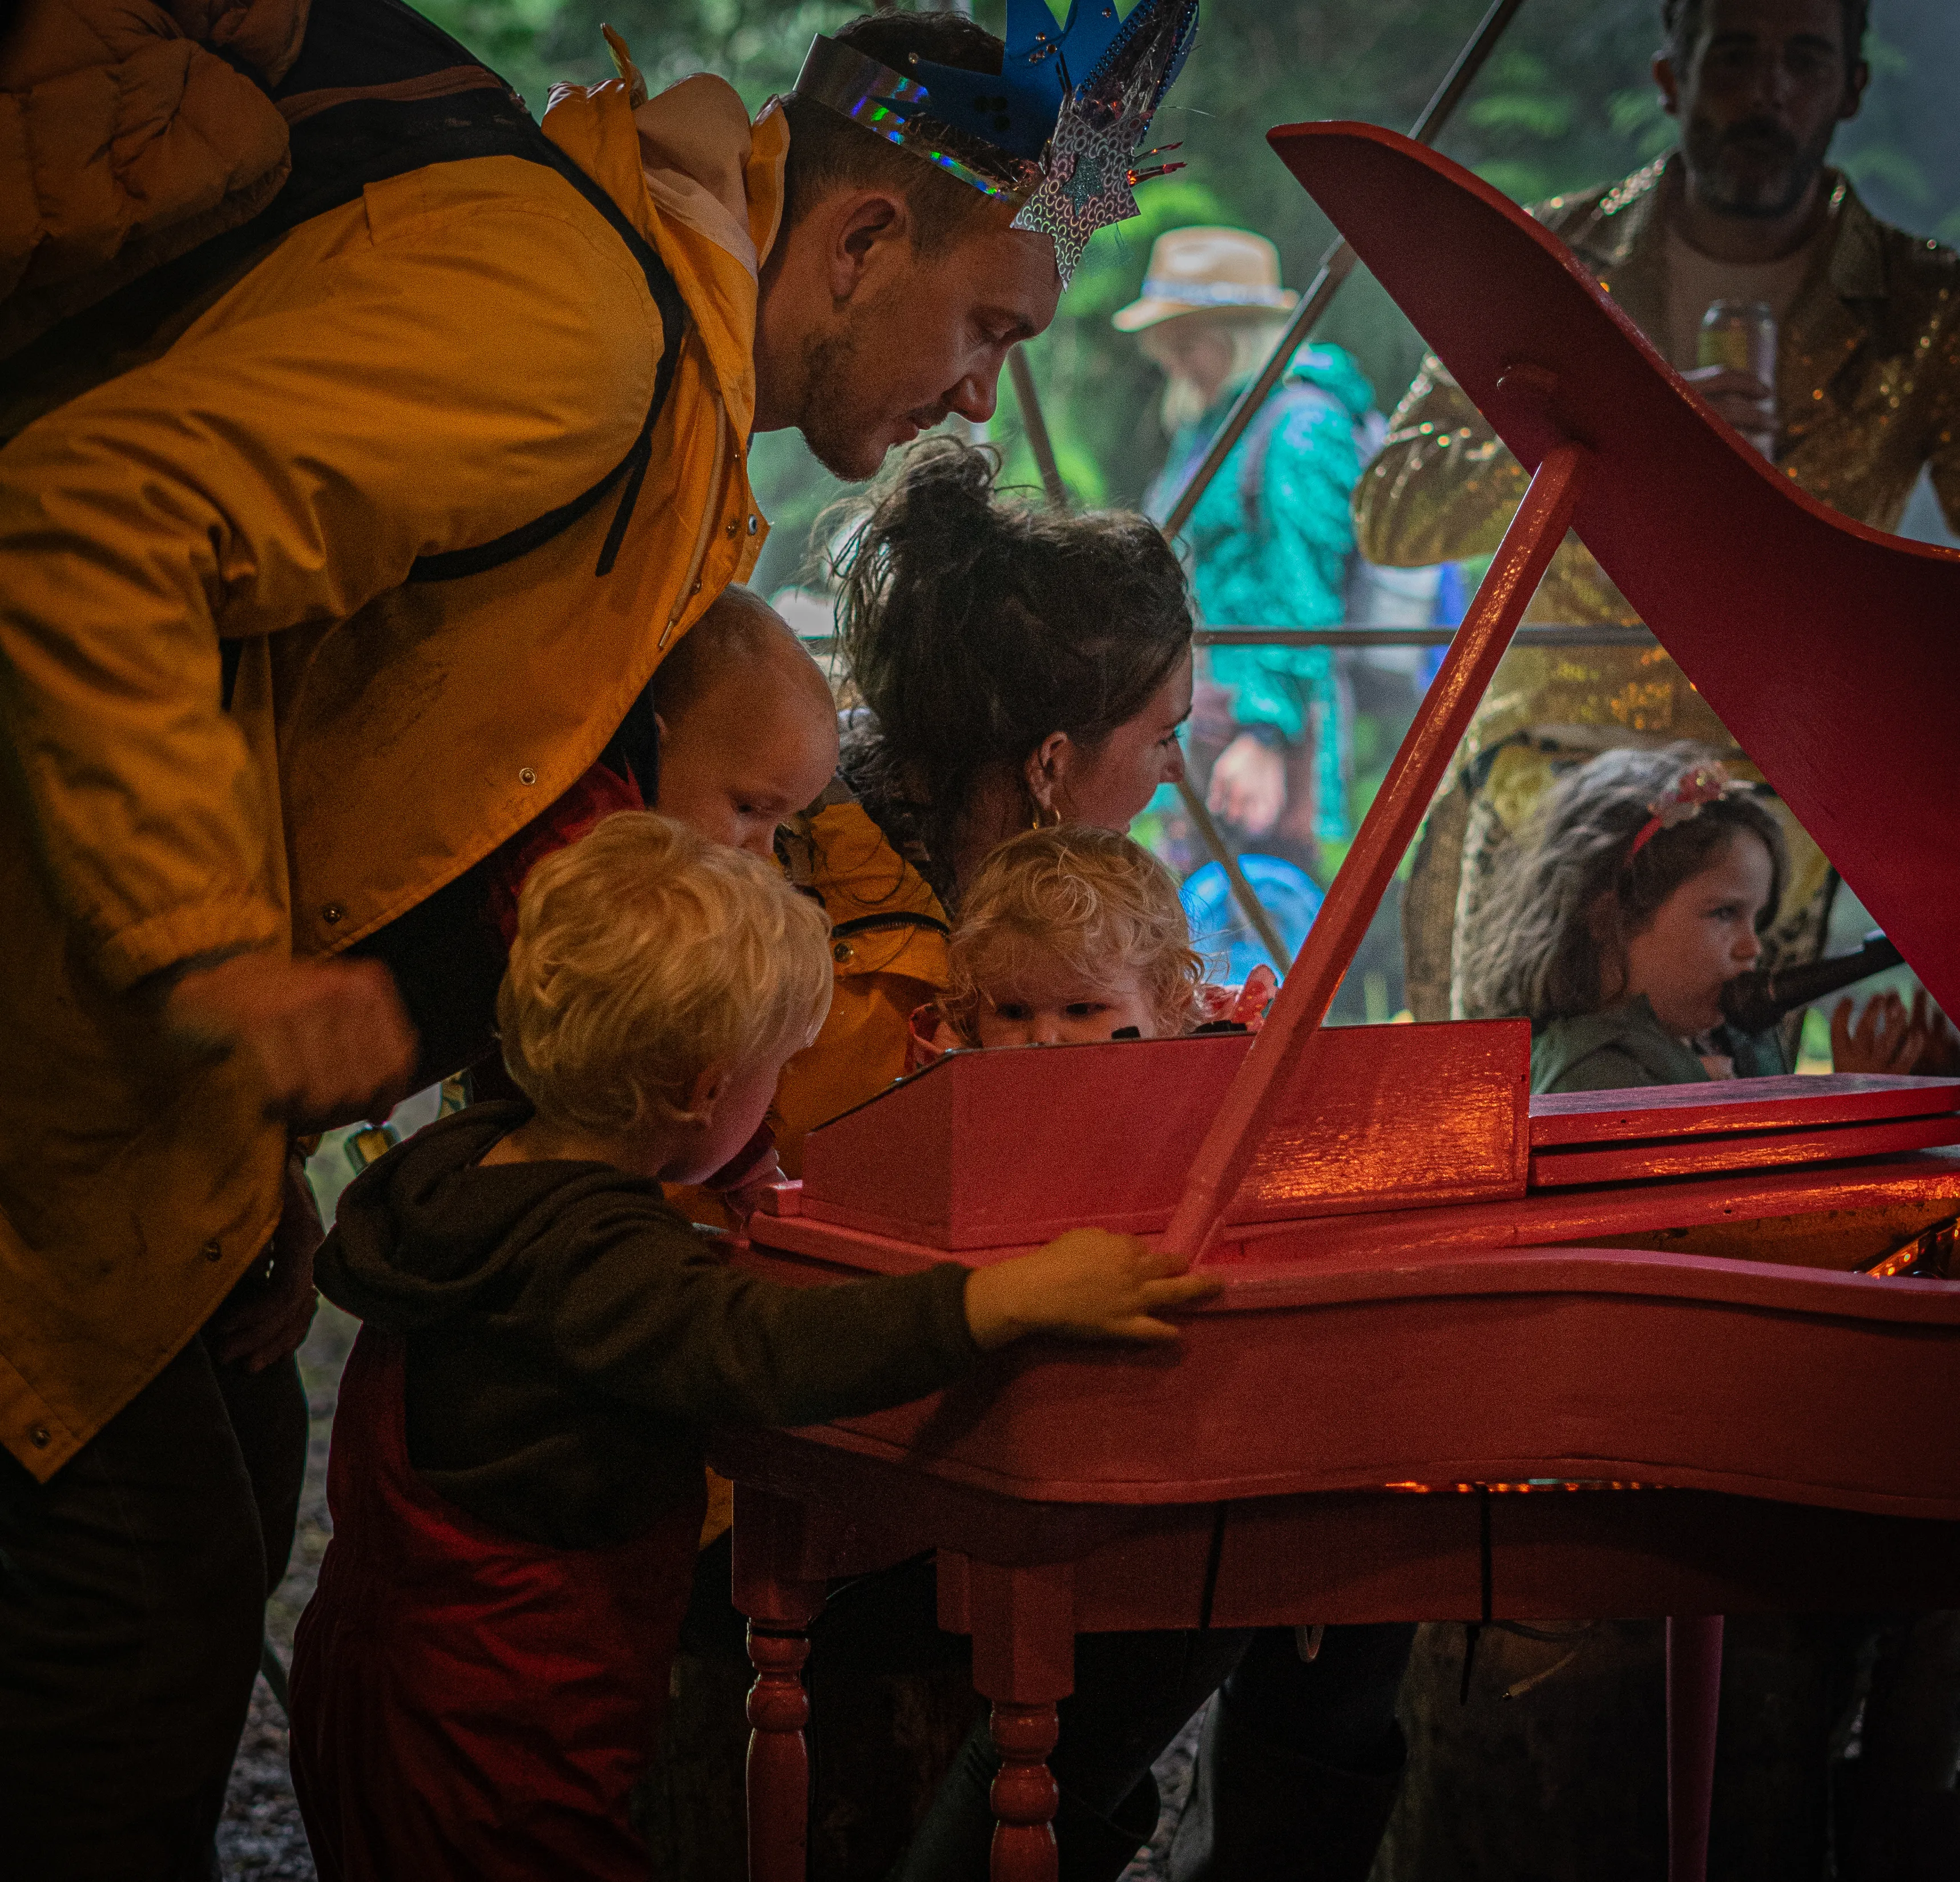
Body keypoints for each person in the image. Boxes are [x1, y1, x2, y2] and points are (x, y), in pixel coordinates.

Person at [0, 0, 1201, 1860]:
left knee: (200, 1543)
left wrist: (236, 1145)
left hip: (123, 1127)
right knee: (121, 1654)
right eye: (988, 327)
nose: (981, 394)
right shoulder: (568, 321)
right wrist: (211, 963)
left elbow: (309, 706)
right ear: (862, 239)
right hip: (51, 1082)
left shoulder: (658, 390)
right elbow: (84, 520)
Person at [658, 439, 1411, 1882]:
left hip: (912, 1430)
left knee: (1338, 1525)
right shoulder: (869, 975)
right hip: (783, 1490)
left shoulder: (924, 889)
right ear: (1057, 765)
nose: (1175, 762)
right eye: (1160, 732)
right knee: (1256, 1551)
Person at [285, 810, 1212, 1881]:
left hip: (366, 1674)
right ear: (699, 1093)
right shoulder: (600, 1259)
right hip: (497, 1722)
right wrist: (1001, 1300)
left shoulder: (471, 1177)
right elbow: (757, 1348)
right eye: (772, 1072)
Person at [1373, 744, 1947, 1882]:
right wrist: (1837, 1110)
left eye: (1759, 920)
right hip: (1651, 1459)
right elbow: (1729, 1237)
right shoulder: (1598, 1081)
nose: (1751, 950)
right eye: (1723, 914)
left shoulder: (1711, 1048)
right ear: (1608, 923)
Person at [1354, 0, 1960, 1025]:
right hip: (1535, 776)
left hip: (1773, 801)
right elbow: (1390, 510)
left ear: (1850, 87)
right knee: (1501, 1132)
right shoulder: (1551, 256)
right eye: (1734, 56)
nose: (1766, 91)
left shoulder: (1924, 302)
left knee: (1718, 1142)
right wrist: (1612, 439)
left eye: (1801, 60)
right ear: (1668, 75)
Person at [1122, 226, 1384, 877]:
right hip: (1205, 718)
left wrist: (1263, 737)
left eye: (1188, 341)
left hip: (1266, 731)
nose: (1174, 362)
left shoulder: (1298, 425)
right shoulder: (1210, 426)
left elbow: (1302, 593)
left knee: (1266, 920)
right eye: (1166, 344)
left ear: (1238, 336)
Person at [912, 823, 1269, 1064]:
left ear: (1167, 1007)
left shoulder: (1229, 1068)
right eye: (1012, 1012)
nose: (1042, 1038)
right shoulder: (949, 1084)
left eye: (1081, 1010)